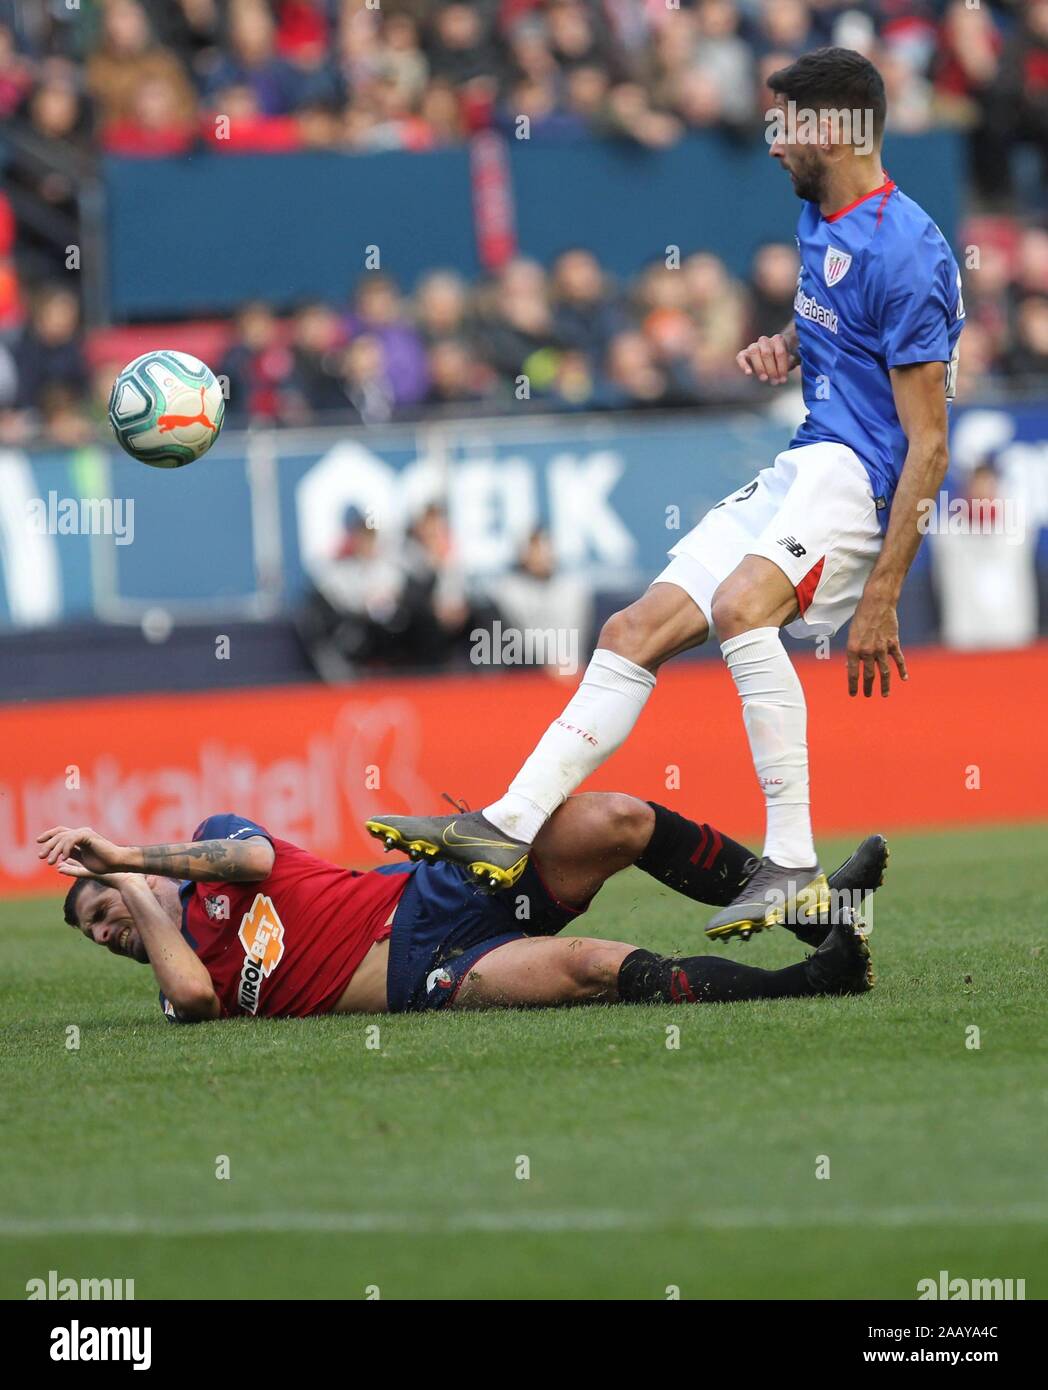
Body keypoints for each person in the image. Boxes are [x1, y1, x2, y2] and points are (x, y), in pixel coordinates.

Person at [369, 47, 962, 945]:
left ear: (836, 130)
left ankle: (793, 862)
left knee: (739, 610)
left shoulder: (908, 251)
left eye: (786, 126)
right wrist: (789, 347)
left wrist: (883, 592)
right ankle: (509, 823)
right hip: (808, 460)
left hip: (859, 479)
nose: (771, 145)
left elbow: (930, 439)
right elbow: (844, 329)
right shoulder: (820, 219)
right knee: (630, 631)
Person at [42, 799, 887, 1023]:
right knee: (593, 968)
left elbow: (258, 858)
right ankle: (821, 976)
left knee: (617, 820)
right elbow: (192, 1001)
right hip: (427, 977)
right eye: (96, 931)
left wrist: (128, 863)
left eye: (103, 912)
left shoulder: (207, 845)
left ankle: (823, 913)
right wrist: (127, 893)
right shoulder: (175, 971)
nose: (106, 930)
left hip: (431, 892)